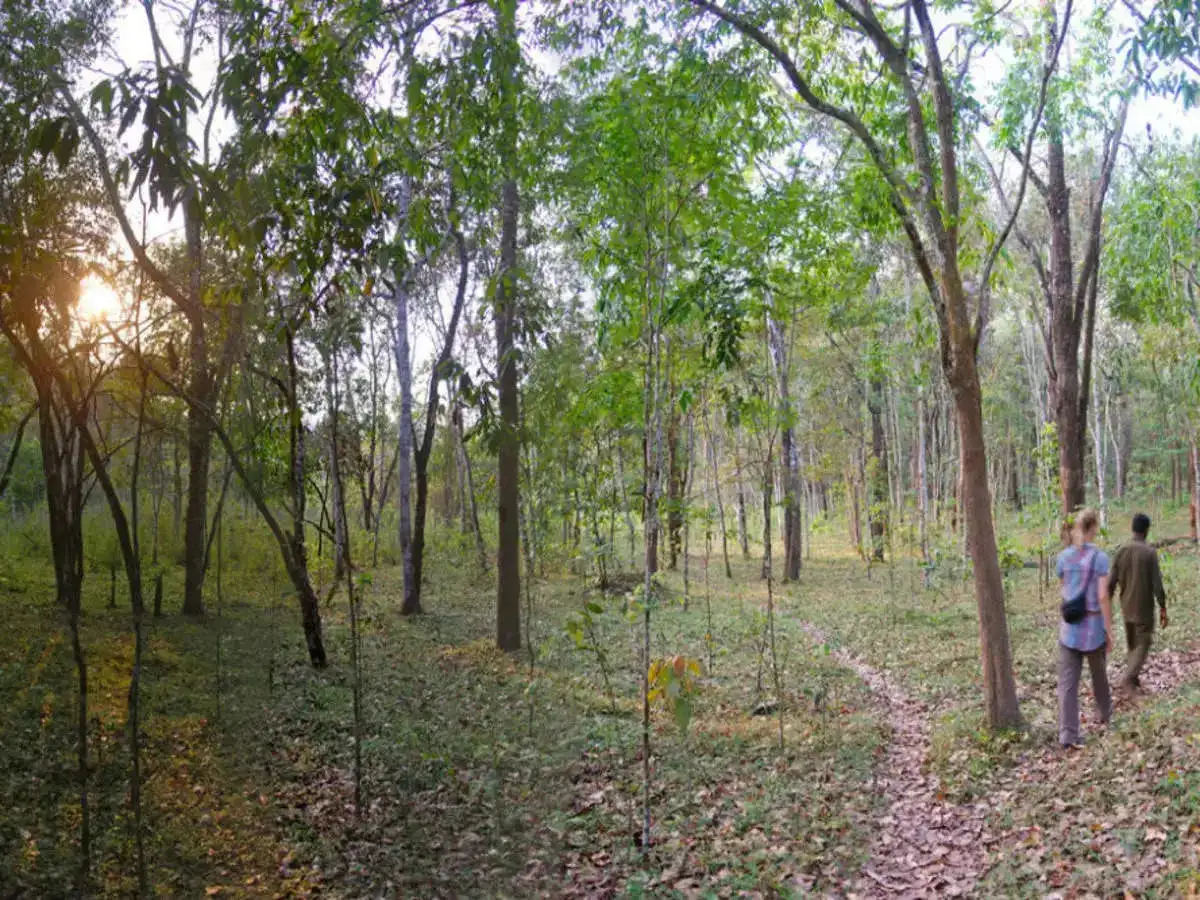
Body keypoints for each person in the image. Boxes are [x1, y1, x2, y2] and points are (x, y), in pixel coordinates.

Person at [1056, 509, 1113, 750]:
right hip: (1092, 627)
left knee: (1068, 684)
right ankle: (1106, 717)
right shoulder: (1100, 558)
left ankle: (1067, 734)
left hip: (1069, 629)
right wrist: (1109, 629)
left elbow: (1064, 589)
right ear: (1094, 528)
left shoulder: (1063, 558)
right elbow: (1102, 595)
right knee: (1099, 676)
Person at [1110, 513, 1167, 692]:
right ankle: (1127, 678)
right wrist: (1163, 607)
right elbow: (1157, 584)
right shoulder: (1149, 553)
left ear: (1133, 528)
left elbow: (1111, 581)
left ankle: (1133, 680)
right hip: (1143, 608)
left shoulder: (1121, 550)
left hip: (1126, 606)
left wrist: (1107, 604)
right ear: (1146, 531)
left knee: (1133, 644)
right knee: (1143, 643)